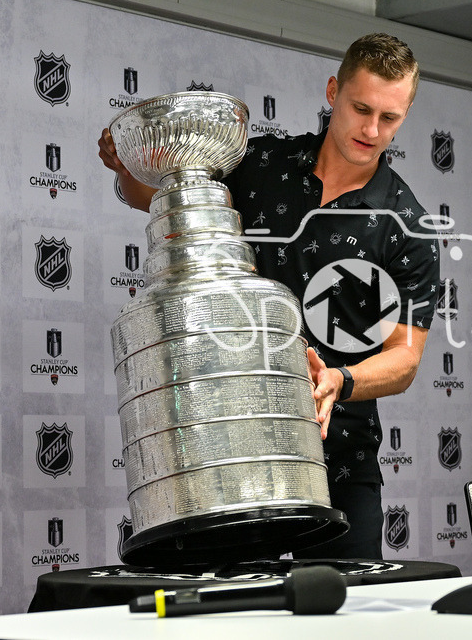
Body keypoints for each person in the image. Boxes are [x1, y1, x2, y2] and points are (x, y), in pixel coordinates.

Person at [98, 33, 440, 558]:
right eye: (361, 109)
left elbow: (404, 359)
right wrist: (129, 165)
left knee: (345, 610)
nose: (372, 130)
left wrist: (339, 380)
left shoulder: (407, 226)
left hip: (339, 462)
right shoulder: (259, 164)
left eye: (389, 118)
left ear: (406, 114)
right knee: (235, 608)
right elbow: (160, 195)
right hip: (229, 453)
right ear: (333, 92)